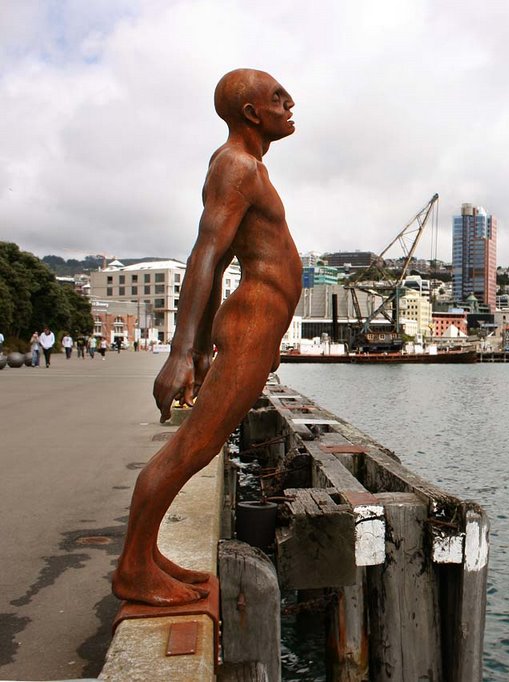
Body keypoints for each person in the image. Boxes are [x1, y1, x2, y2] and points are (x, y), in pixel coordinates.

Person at [113, 69, 301, 606]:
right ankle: (133, 568)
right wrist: (180, 351)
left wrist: (197, 350)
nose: (290, 105)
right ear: (250, 113)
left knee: (200, 442)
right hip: (252, 322)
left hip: (259, 324)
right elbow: (206, 254)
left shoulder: (248, 168)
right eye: (277, 98)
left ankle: (145, 557)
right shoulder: (237, 166)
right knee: (193, 444)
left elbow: (218, 266)